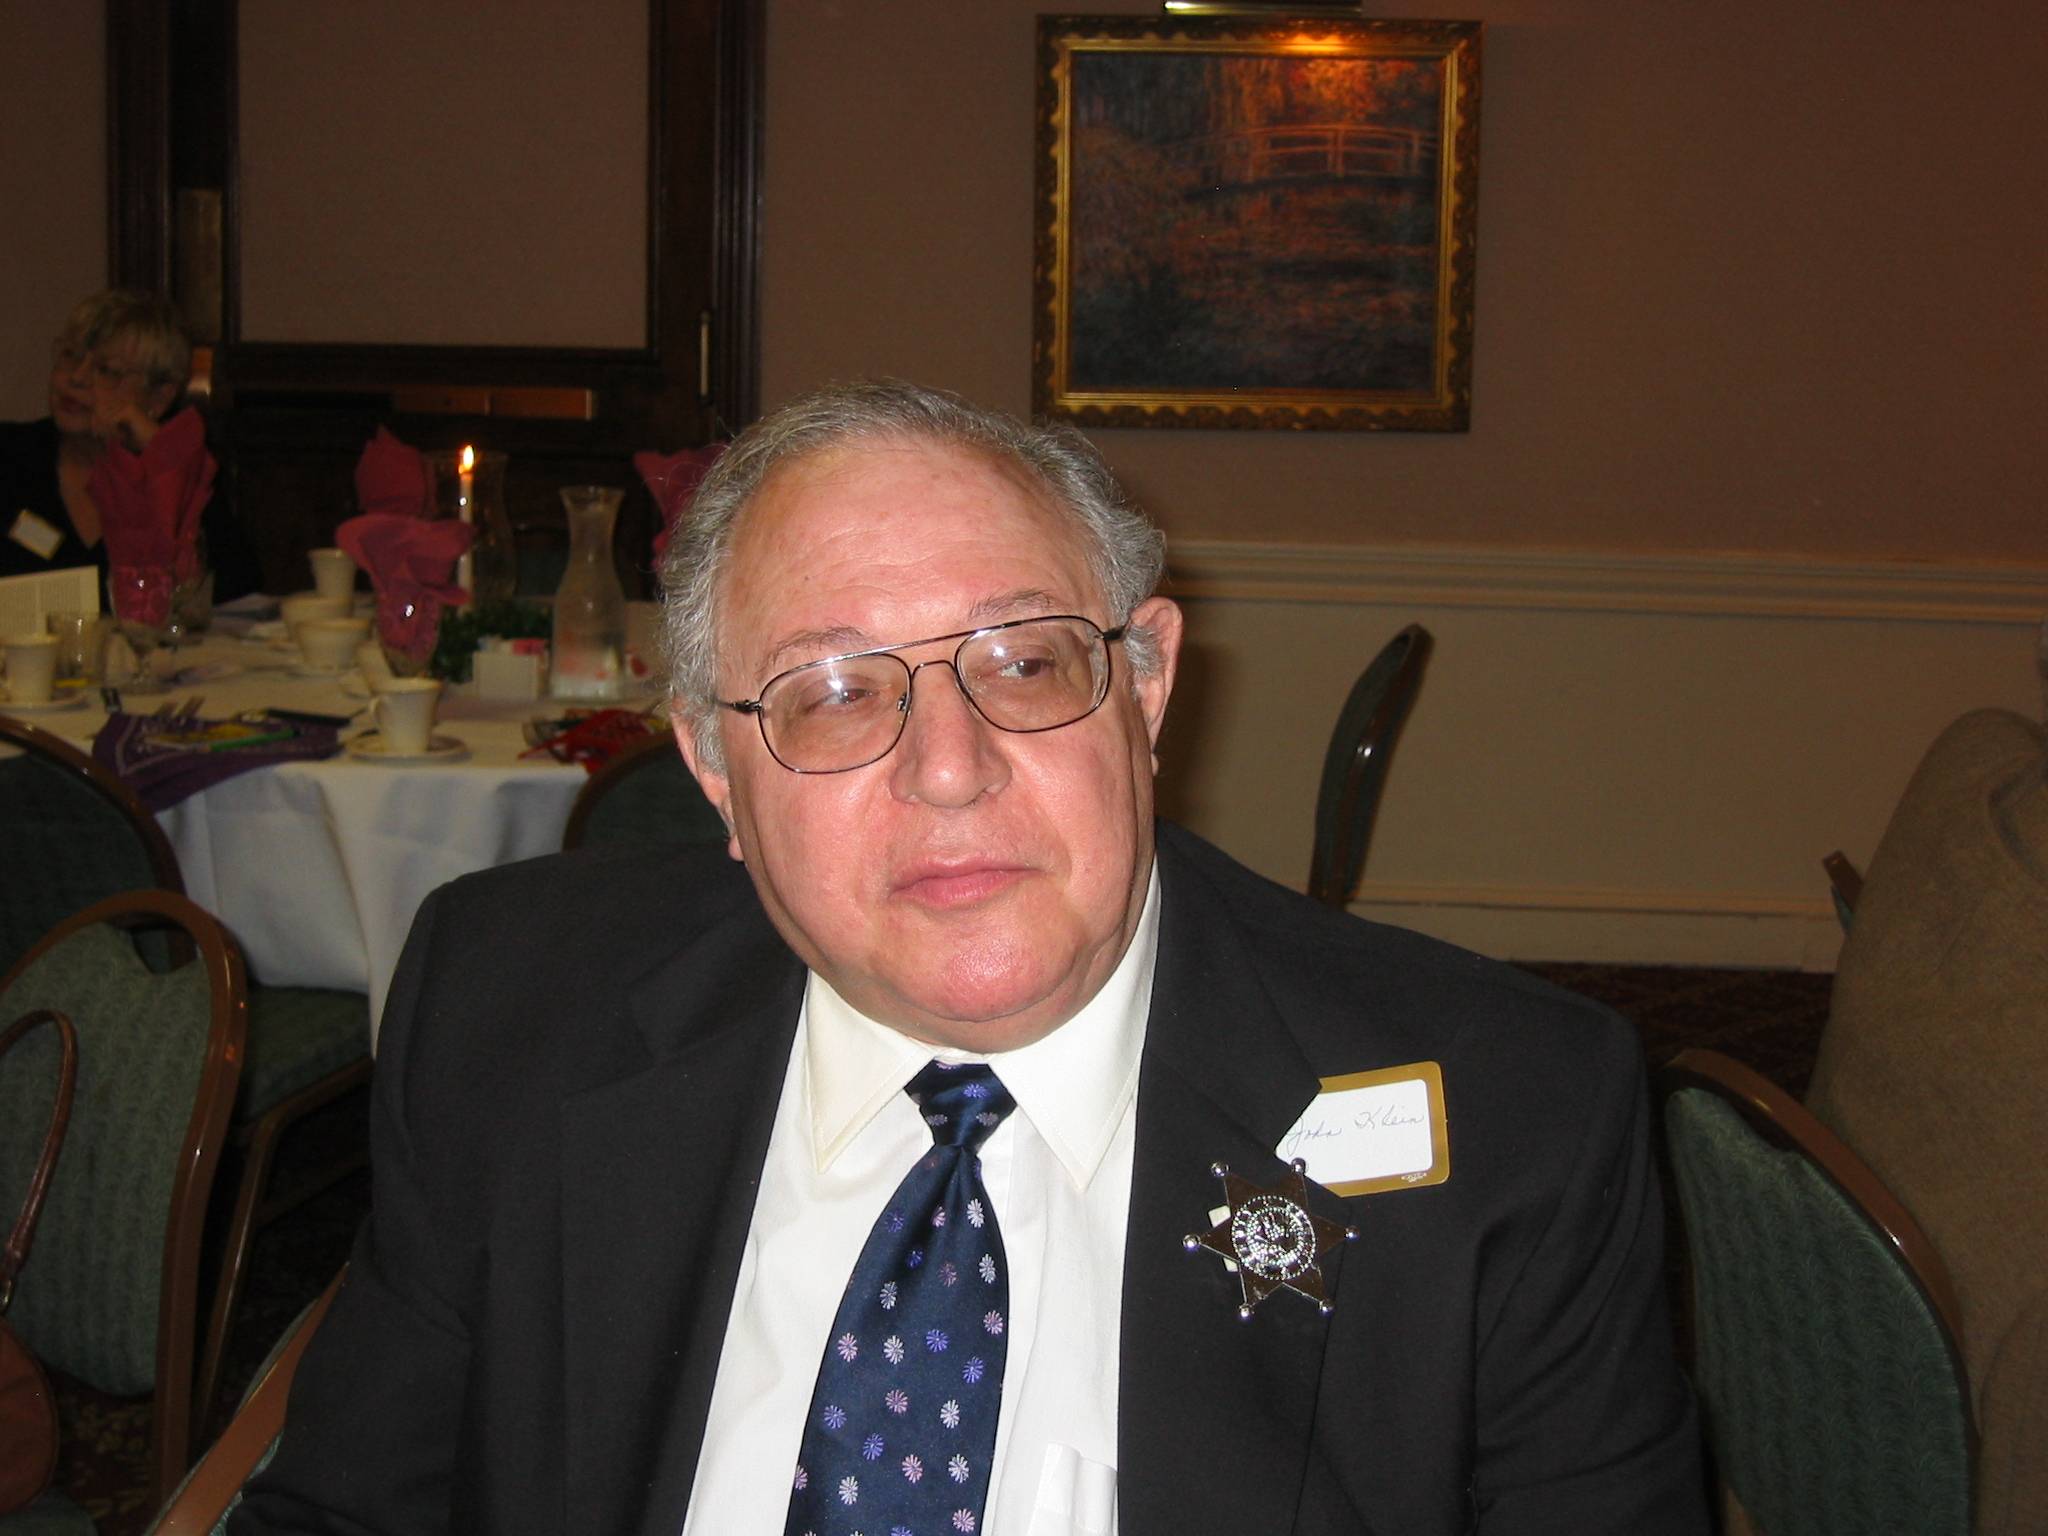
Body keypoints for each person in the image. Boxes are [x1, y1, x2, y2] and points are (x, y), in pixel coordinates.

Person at [233, 381, 1707, 1534]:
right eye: (831, 691)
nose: (949, 769)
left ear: (1145, 688)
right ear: (714, 772)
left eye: (1024, 661)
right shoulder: (508, 1016)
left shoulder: (1518, 1126)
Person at [0, 288, 256, 597]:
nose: (76, 378)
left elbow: (234, 587)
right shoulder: (10, 454)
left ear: (159, 398)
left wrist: (161, 455)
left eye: (106, 371)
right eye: (70, 356)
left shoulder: (178, 470)